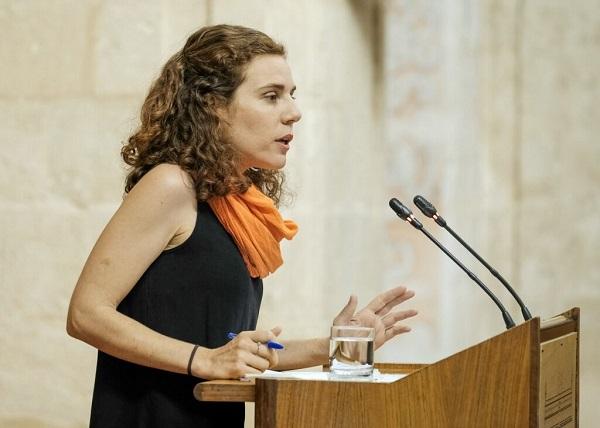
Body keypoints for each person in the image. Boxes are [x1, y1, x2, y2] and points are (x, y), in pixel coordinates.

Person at [66, 24, 417, 427]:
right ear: (213, 104)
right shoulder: (171, 184)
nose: (293, 112)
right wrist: (204, 360)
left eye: (291, 95)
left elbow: (234, 354)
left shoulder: (232, 205)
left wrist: (336, 345)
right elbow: (86, 313)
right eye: (271, 96)